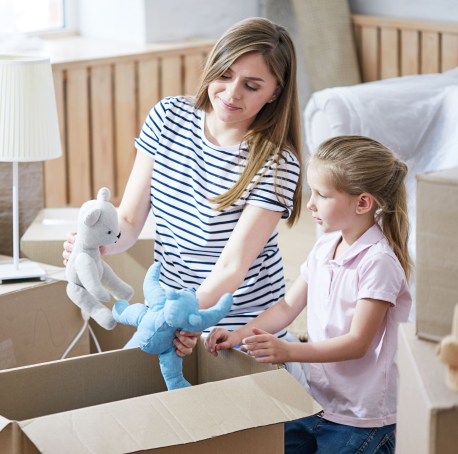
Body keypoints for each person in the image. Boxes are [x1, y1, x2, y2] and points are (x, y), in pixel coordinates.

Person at [63, 17, 308, 385]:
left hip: (240, 327)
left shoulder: (276, 164)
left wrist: (185, 316)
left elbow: (232, 267)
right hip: (170, 315)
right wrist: (97, 246)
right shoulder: (168, 117)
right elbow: (128, 221)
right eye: (224, 75)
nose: (231, 93)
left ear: (274, 92)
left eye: (251, 85)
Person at [205, 135, 413, 453]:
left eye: (322, 195)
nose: (310, 203)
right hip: (317, 401)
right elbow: (287, 306)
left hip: (362, 419)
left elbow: (358, 343)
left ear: (363, 203)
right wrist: (238, 336)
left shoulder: (378, 262)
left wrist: (288, 352)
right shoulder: (325, 245)